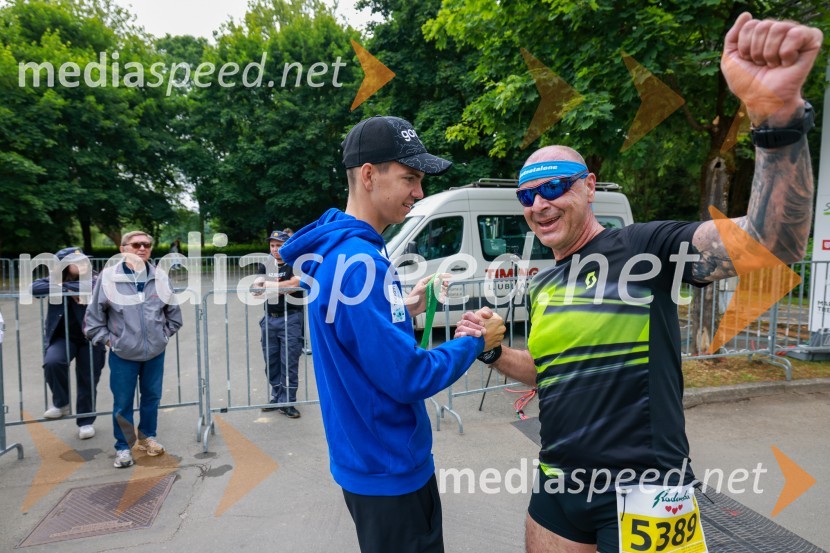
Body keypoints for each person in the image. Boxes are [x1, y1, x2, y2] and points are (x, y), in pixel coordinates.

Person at [458, 13, 822, 553]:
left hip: (647, 493)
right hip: (558, 486)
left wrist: (775, 121)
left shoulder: (642, 248)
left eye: (554, 186)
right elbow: (545, 370)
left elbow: (773, 243)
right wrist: (492, 352)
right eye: (526, 195)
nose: (539, 203)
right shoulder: (544, 284)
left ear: (589, 186)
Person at [280, 115, 506, 553]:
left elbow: (357, 329)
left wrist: (405, 303)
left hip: (368, 462)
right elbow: (409, 376)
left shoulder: (343, 252)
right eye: (410, 178)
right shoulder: (360, 263)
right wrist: (478, 340)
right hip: (389, 471)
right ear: (369, 175)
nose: (419, 193)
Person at [84, 231, 183, 469]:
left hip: (154, 353)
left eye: (147, 245)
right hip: (123, 354)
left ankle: (147, 437)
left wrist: (163, 336)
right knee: (123, 402)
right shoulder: (108, 278)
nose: (142, 248)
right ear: (123, 248)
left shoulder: (159, 276)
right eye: (136, 244)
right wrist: (111, 342)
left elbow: (174, 315)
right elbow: (93, 320)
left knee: (151, 398)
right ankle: (123, 448)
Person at [31, 247, 106, 440]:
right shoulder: (55, 279)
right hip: (62, 337)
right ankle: (61, 402)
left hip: (91, 337)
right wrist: (66, 287)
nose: (83, 264)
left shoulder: (94, 277)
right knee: (53, 362)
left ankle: (85, 420)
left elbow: (93, 286)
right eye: (77, 261)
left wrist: (64, 287)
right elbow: (35, 288)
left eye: (84, 261)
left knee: (88, 379)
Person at [252, 230, 304, 418]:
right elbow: (255, 288)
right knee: (271, 361)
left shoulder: (296, 262)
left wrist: (270, 286)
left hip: (290, 318)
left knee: (289, 361)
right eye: (272, 245)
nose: (275, 249)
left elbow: (295, 284)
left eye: (279, 245)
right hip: (270, 318)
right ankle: (277, 396)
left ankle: (288, 400)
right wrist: (271, 287)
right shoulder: (266, 263)